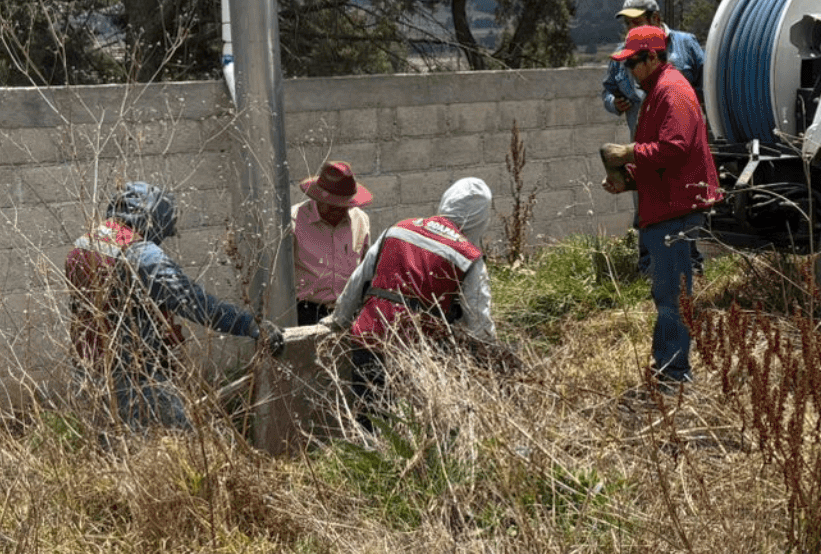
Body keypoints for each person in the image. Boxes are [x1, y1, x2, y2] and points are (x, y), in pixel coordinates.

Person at [65, 181, 282, 429]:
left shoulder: (86, 244)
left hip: (89, 367)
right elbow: (196, 304)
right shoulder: (142, 256)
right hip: (134, 374)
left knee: (114, 441)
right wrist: (250, 325)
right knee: (179, 437)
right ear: (152, 221)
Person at [603, 25, 722, 389]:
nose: (628, 71)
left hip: (676, 206)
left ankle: (675, 375)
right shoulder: (658, 91)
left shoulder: (671, 90)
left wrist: (628, 153)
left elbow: (675, 147)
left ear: (652, 57)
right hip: (667, 201)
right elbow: (661, 158)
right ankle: (669, 367)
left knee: (672, 295)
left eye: (633, 63)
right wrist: (629, 180)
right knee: (668, 293)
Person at [324, 177, 499, 412]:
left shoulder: (399, 229)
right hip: (418, 353)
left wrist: (338, 321)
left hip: (369, 337)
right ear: (481, 217)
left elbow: (358, 280)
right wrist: (491, 362)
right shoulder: (468, 257)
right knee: (412, 423)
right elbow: (479, 324)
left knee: (369, 417)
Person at [601, 0, 704, 136]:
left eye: (637, 22)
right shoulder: (621, 53)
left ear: (655, 19)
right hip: (642, 142)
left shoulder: (685, 44)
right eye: (627, 23)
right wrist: (614, 103)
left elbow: (708, 88)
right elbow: (608, 91)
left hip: (682, 136)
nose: (631, 28)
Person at [292, 160, 374, 326]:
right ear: (317, 198)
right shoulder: (294, 221)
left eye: (344, 206)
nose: (339, 211)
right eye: (332, 206)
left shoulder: (360, 220)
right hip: (307, 312)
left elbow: (366, 268)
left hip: (349, 309)